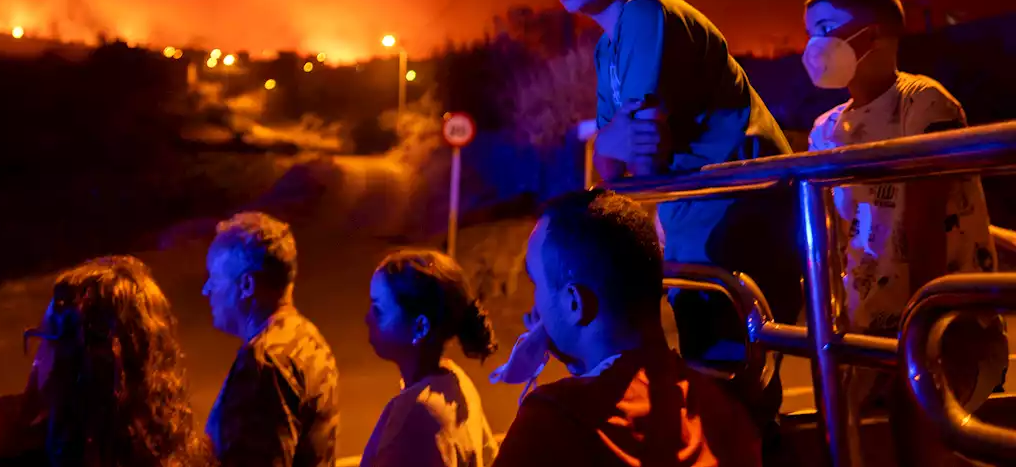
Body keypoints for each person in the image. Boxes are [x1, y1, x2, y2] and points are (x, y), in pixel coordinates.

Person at [526, 0, 802, 423]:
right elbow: (610, 162)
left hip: (736, 213)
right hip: (697, 217)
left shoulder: (647, 13)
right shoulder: (610, 44)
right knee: (718, 382)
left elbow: (643, 156)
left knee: (733, 391)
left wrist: (616, 141)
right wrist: (613, 139)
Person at [804, 0, 1006, 417]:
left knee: (925, 439)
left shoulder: (924, 104)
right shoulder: (824, 129)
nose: (814, 45)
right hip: (863, 328)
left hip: (941, 321)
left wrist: (925, 331)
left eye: (825, 28)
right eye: (809, 32)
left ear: (873, 35)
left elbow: (926, 223)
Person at [492, 189, 761, 466]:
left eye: (537, 283)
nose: (536, 308)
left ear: (574, 303)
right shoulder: (723, 412)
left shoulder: (555, 422)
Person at [0, 255, 214, 467]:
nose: (38, 357)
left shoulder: (16, 443)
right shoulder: (183, 449)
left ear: (65, 357)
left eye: (46, 337)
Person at [203, 212, 340, 467]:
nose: (206, 290)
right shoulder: (309, 338)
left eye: (214, 279)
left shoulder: (265, 362)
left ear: (246, 286)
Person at [360, 249, 499, 467]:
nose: (367, 319)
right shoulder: (457, 382)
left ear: (420, 327)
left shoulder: (417, 416)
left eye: (378, 310)